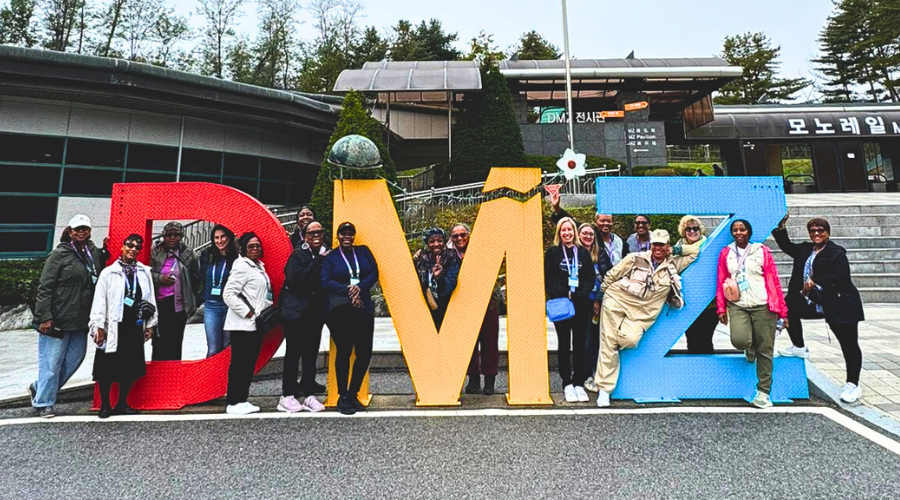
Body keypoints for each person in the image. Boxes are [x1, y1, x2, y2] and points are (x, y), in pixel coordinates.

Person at [594, 229, 697, 407]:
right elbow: (612, 275)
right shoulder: (636, 258)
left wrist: (676, 251)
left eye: (662, 245)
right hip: (617, 300)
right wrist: (599, 298)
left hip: (642, 315)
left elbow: (695, 251)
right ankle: (604, 389)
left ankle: (603, 370)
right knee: (608, 343)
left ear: (667, 246)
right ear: (651, 244)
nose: (658, 248)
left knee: (630, 339)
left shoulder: (674, 264)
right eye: (655, 244)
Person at [772, 216, 865, 403]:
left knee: (848, 343)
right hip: (814, 301)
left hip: (840, 303)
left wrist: (815, 283)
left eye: (820, 230)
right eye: (813, 230)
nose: (816, 234)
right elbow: (787, 246)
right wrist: (780, 227)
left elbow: (841, 277)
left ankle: (853, 384)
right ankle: (799, 347)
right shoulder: (806, 249)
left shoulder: (836, 252)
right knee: (789, 304)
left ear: (827, 233)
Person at [31, 214, 109, 418]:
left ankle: (39, 387)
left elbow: (98, 272)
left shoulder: (92, 252)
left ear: (89, 231)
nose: (81, 232)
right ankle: (44, 402)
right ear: (71, 231)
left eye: (85, 228)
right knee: (52, 362)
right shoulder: (59, 254)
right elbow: (45, 287)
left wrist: (105, 251)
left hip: (81, 319)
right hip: (57, 319)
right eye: (77, 229)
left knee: (75, 358)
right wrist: (44, 316)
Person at [716, 220, 788, 409]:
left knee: (765, 350)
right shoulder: (726, 253)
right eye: (735, 230)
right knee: (740, 340)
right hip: (737, 304)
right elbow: (721, 280)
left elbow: (774, 280)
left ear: (749, 231)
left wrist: (782, 310)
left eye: (742, 229)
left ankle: (763, 392)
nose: (739, 232)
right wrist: (721, 308)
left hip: (763, 304)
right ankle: (750, 347)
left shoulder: (761, 251)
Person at [89, 234, 157, 418]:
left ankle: (122, 403)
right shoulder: (108, 273)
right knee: (106, 366)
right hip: (113, 325)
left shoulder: (143, 272)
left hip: (134, 325)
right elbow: (99, 300)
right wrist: (98, 327)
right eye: (130, 245)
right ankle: (105, 405)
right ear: (122, 247)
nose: (133, 249)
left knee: (130, 365)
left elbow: (150, 299)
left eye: (137, 247)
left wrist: (150, 324)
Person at [322, 222, 379, 415]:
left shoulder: (363, 252)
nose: (347, 236)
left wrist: (360, 287)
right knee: (344, 351)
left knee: (364, 352)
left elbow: (374, 272)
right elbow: (325, 280)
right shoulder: (331, 257)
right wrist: (348, 289)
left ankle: (353, 393)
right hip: (341, 311)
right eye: (343, 233)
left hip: (363, 308)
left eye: (350, 233)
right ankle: (342, 395)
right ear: (337, 236)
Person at [278, 220, 328, 413]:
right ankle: (287, 394)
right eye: (311, 233)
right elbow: (297, 280)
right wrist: (318, 261)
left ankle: (308, 394)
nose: (316, 236)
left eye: (319, 232)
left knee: (310, 355)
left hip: (315, 314)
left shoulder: (325, 255)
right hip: (295, 315)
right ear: (305, 236)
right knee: (293, 354)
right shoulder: (298, 255)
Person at [544, 217, 596, 403]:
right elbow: (549, 278)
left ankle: (579, 382)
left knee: (581, 344)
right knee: (564, 343)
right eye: (563, 230)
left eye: (570, 230)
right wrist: (564, 293)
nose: (567, 233)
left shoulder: (582, 253)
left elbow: (590, 277)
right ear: (559, 232)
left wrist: (580, 294)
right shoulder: (552, 253)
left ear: (574, 232)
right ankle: (566, 382)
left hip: (581, 305)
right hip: (562, 305)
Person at [222, 232, 272, 415]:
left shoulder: (258, 266)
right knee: (240, 364)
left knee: (248, 363)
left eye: (257, 246)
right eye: (251, 246)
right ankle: (234, 401)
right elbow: (228, 294)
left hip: (254, 324)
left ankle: (242, 399)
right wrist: (248, 313)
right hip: (242, 325)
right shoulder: (241, 266)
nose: (255, 249)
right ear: (243, 248)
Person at [451, 223, 502, 396]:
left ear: (470, 235)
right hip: (463, 306)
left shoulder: (482, 251)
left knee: (489, 342)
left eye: (463, 234)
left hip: (488, 303)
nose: (459, 238)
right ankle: (473, 378)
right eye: (455, 236)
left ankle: (489, 379)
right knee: (468, 344)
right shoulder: (449, 256)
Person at [150, 221, 200, 361]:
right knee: (159, 341)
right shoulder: (154, 252)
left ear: (181, 236)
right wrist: (160, 278)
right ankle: (158, 374)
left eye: (176, 235)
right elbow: (146, 274)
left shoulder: (189, 254)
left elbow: (196, 278)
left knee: (175, 341)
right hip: (159, 304)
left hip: (178, 305)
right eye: (169, 235)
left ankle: (173, 374)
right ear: (164, 236)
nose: (172, 238)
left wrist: (192, 299)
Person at [578, 223, 613, 394]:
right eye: (584, 233)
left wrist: (598, 300)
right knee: (586, 341)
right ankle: (586, 375)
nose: (588, 237)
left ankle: (599, 373)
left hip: (601, 303)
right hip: (583, 303)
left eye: (591, 234)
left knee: (599, 340)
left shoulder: (601, 253)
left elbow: (609, 276)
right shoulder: (575, 254)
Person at [549, 189, 627, 264]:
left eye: (609, 221)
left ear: (613, 222)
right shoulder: (592, 232)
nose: (606, 223)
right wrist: (557, 207)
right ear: (596, 221)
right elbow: (571, 222)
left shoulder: (619, 241)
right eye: (602, 221)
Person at [676, 215, 717, 355]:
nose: (692, 231)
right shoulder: (678, 248)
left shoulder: (709, 246)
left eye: (695, 228)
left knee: (706, 339)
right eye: (688, 228)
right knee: (692, 339)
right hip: (688, 303)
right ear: (683, 230)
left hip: (709, 305)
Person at [198, 225, 238, 358]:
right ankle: (210, 378)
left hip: (229, 306)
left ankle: (226, 378)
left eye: (222, 237)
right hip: (211, 306)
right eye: (216, 238)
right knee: (213, 348)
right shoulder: (207, 255)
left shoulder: (236, 258)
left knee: (227, 346)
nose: (220, 241)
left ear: (229, 237)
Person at [414, 228, 459, 330]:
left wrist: (439, 278)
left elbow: (451, 283)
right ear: (427, 244)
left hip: (448, 308)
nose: (436, 244)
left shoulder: (452, 257)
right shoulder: (421, 258)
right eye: (432, 241)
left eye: (440, 240)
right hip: (427, 308)